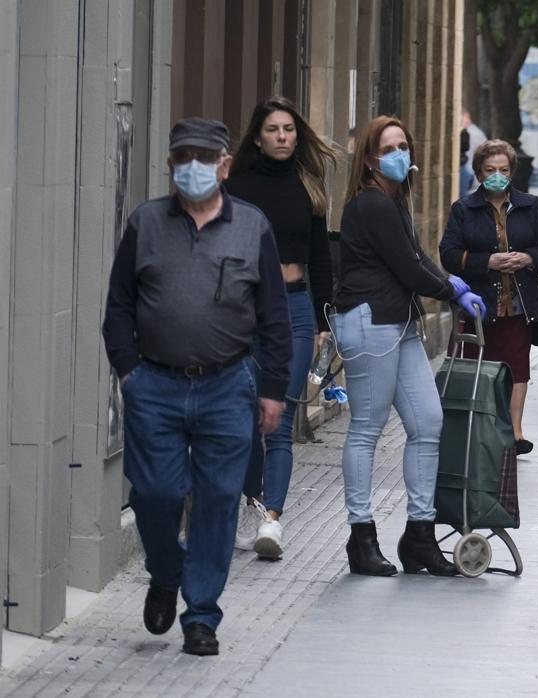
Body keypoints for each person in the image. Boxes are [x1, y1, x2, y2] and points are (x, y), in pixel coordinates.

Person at [103, 117, 292, 655]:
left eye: (204, 159)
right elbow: (118, 306)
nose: (193, 168)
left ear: (224, 165)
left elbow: (274, 317)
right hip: (155, 386)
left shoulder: (252, 227)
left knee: (216, 500)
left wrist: (272, 388)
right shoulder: (145, 224)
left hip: (227, 384)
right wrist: (128, 372)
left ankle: (201, 615)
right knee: (155, 493)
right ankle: (166, 572)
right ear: (169, 165)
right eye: (183, 157)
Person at [333, 115, 484, 578]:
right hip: (370, 321)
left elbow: (416, 257)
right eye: (390, 148)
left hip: (397, 321)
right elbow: (408, 266)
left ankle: (419, 535)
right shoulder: (373, 204)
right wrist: (452, 289)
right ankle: (361, 536)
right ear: (371, 159)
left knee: (427, 422)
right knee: (367, 428)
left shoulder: (393, 200)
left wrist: (448, 280)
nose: (401, 154)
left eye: (404, 145)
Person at [226, 96, 336, 560]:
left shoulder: (308, 187)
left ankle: (272, 519)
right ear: (258, 136)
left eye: (289, 129)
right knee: (246, 414)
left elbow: (321, 255)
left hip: (292, 308)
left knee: (282, 417)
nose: (283, 137)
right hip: (245, 307)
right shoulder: (237, 185)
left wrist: (322, 318)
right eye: (273, 130)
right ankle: (247, 504)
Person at [440, 139, 538, 455]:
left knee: (517, 367)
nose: (497, 175)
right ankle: (475, 427)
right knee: (478, 365)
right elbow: (449, 256)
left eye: (503, 170)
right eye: (490, 170)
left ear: (512, 172)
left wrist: (527, 258)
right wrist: (486, 262)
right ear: (479, 172)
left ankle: (514, 431)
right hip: (479, 305)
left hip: (519, 303)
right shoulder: (463, 209)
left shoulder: (529, 206)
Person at [459, 110, 487, 198]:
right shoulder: (475, 131)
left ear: (466, 116)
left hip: (472, 183)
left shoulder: (472, 133)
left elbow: (467, 160)